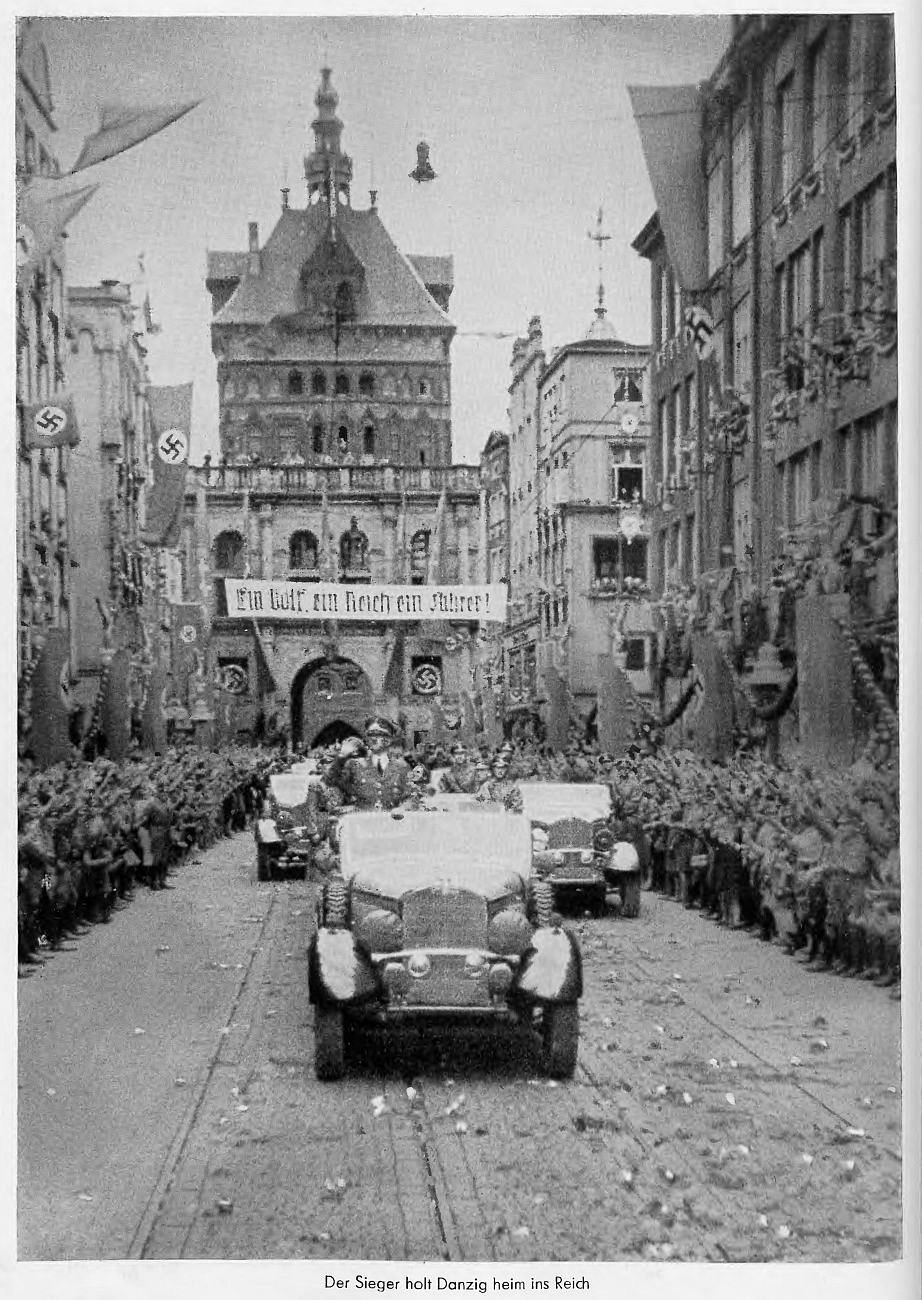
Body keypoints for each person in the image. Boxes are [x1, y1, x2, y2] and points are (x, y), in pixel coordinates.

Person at [325, 717, 413, 809]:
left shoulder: (402, 767)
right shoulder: (354, 764)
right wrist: (342, 756)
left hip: (390, 820)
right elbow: (331, 782)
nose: (374, 738)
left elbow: (410, 796)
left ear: (389, 739)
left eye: (379, 734)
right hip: (362, 819)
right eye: (370, 734)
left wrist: (402, 808)